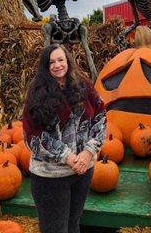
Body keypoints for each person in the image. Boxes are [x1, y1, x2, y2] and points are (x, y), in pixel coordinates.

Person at [23, 43, 106, 233]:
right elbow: (32, 135)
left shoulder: (83, 85)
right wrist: (67, 156)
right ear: (45, 67)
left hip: (82, 171)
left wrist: (88, 151)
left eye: (61, 60)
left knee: (73, 225)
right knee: (55, 229)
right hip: (50, 177)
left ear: (68, 61)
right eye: (51, 62)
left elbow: (101, 116)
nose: (57, 65)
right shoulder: (37, 93)